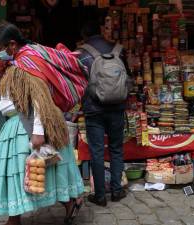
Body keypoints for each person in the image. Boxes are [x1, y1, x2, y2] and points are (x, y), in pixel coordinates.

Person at [0, 21, 86, 225]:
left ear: (12, 45)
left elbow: (40, 99)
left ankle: (16, 218)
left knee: (22, 171)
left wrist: (38, 132)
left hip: (27, 124)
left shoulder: (26, 63)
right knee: (46, 168)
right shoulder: (27, 57)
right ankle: (68, 203)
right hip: (24, 123)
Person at [77, 20, 131, 206]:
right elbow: (127, 78)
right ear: (101, 30)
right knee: (116, 149)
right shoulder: (118, 50)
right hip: (117, 108)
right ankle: (117, 190)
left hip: (94, 110)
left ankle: (100, 195)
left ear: (84, 35)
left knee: (97, 152)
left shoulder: (82, 54)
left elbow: (79, 83)